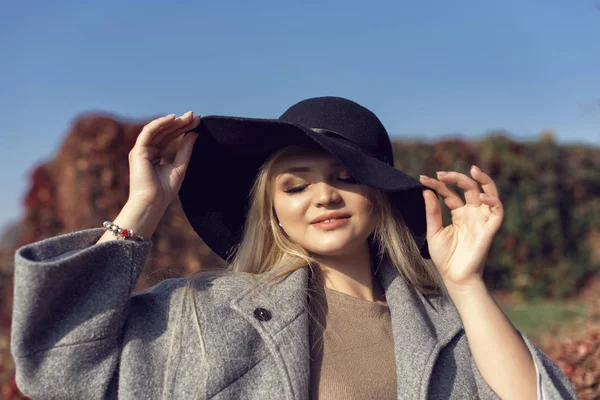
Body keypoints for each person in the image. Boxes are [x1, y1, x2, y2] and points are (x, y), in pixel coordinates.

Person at [11, 97, 576, 399]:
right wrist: (142, 211)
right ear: (271, 211)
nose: (324, 196)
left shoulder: (444, 327)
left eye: (347, 176)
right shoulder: (198, 314)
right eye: (296, 185)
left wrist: (465, 285)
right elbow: (57, 367)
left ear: (378, 197)